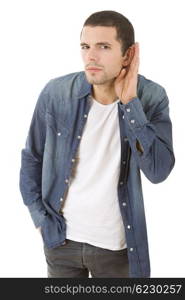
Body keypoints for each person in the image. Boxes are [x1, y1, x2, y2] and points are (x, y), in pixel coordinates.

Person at [19, 10, 175, 278]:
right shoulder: (56, 93)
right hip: (60, 242)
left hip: (118, 250)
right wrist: (41, 221)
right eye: (85, 46)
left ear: (128, 54)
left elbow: (158, 171)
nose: (91, 56)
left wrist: (130, 104)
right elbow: (32, 157)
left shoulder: (151, 97)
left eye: (103, 47)